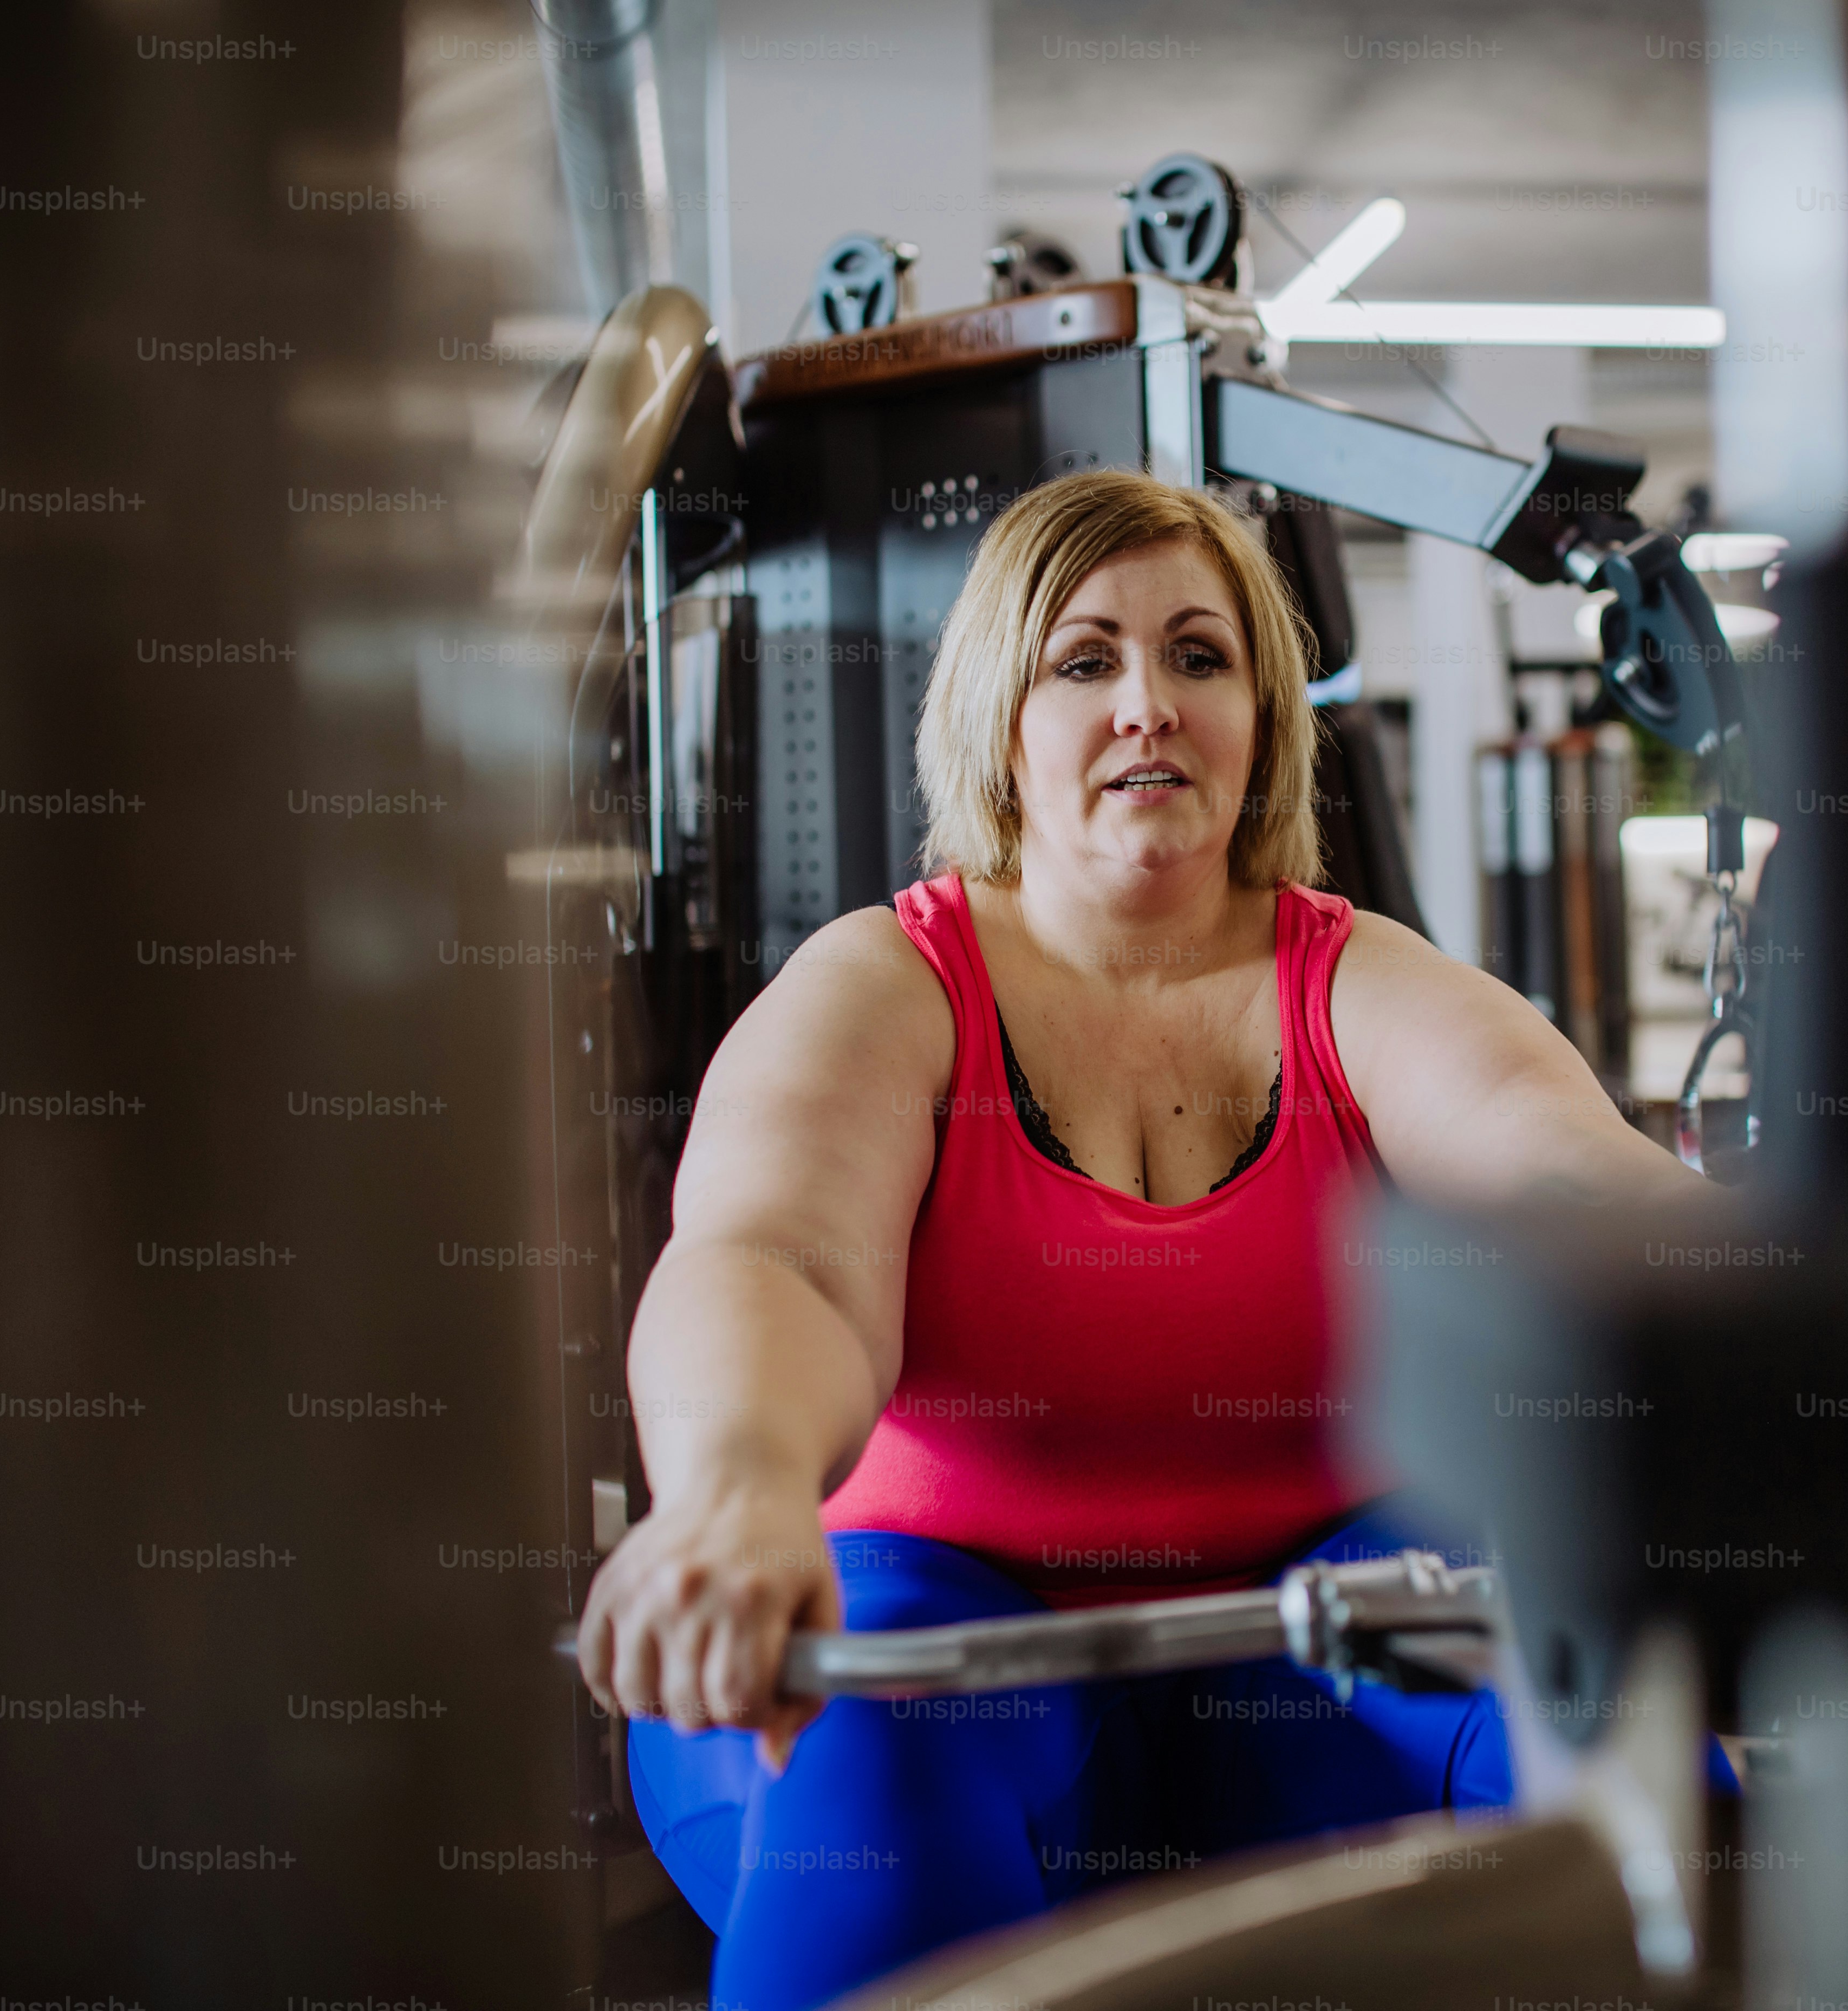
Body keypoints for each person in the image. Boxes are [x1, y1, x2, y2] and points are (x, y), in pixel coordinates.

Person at [578, 468, 1704, 2010]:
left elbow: (1569, 1173)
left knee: (1643, 1770)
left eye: (1200, 656)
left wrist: (1786, 1331)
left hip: (1309, 1639)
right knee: (871, 1792)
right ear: (1002, 714)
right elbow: (776, 1257)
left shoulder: (1355, 982)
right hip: (927, 1631)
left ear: (1262, 715)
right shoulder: (885, 987)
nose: (1149, 706)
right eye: (1087, 659)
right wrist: (735, 1490)